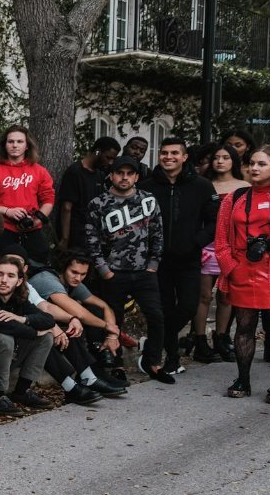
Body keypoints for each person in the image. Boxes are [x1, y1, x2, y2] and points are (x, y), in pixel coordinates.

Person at [85, 155, 171, 384]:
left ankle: (153, 362)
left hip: (144, 272)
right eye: (120, 173)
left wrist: (153, 264)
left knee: (156, 316)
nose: (124, 177)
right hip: (113, 272)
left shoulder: (148, 200)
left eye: (129, 173)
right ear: (111, 175)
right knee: (115, 320)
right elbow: (91, 240)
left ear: (136, 177)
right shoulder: (99, 203)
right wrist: (104, 270)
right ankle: (116, 365)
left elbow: (158, 233)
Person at [139, 137, 216, 375]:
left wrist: (196, 243)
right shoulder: (147, 186)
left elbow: (214, 221)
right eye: (164, 153)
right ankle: (172, 358)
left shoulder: (201, 185)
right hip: (156, 260)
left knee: (187, 307)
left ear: (184, 157)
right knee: (162, 308)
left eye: (174, 153)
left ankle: (154, 343)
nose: (168, 157)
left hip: (189, 259)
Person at [214, 144, 270, 402]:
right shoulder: (235, 197)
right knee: (244, 327)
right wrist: (231, 268)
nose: (254, 168)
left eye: (262, 164)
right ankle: (243, 379)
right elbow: (220, 240)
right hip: (242, 271)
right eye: (252, 163)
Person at [27, 251, 130, 392]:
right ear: (63, 268)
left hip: (51, 324)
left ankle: (96, 373)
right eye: (74, 272)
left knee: (95, 312)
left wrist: (112, 335)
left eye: (83, 274)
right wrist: (109, 327)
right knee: (76, 324)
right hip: (31, 324)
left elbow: (104, 306)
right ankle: (89, 377)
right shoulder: (48, 280)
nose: (78, 278)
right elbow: (79, 314)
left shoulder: (73, 283)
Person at [0, 256, 56, 415]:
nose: (4, 280)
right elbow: (1, 325)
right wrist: (34, 331)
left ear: (19, 281)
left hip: (10, 356)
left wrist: (24, 319)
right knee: (3, 338)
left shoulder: (19, 299)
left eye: (10, 276)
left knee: (46, 337)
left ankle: (22, 391)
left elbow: (48, 320)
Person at [194, 143, 248, 362]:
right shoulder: (203, 185)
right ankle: (199, 340)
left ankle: (222, 338)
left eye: (225, 157)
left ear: (233, 161)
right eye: (216, 157)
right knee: (204, 295)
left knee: (226, 296)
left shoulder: (244, 186)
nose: (220, 161)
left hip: (233, 246)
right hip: (207, 246)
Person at [0, 124, 55, 266]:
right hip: (3, 228)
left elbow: (48, 200)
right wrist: (8, 211)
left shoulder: (39, 171)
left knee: (40, 265)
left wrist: (37, 220)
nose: (14, 145)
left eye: (19, 141)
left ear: (27, 146)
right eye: (10, 141)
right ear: (5, 145)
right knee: (2, 266)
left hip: (31, 228)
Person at [56, 136, 118, 253]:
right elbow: (66, 207)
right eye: (108, 157)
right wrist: (65, 238)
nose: (110, 162)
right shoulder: (75, 171)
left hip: (94, 234)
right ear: (98, 151)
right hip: (76, 235)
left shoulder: (99, 173)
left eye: (113, 159)